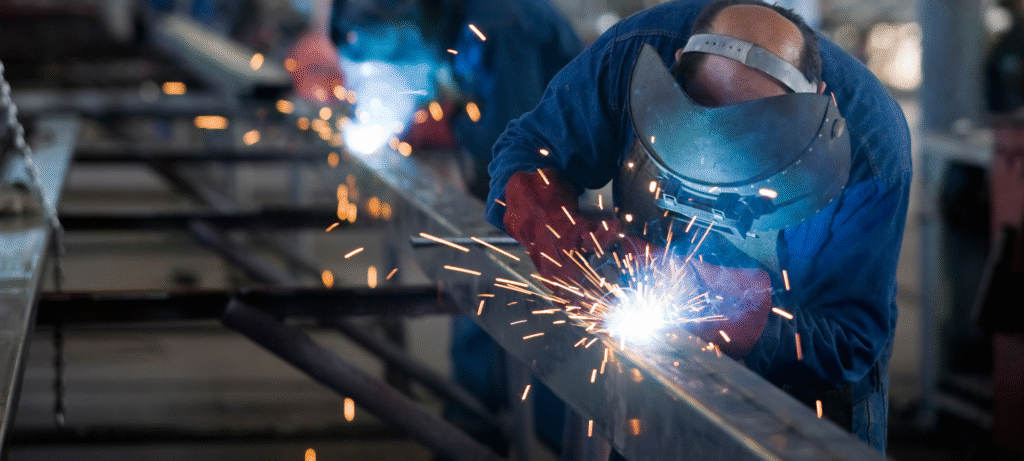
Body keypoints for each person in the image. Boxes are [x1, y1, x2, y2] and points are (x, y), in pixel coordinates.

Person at [488, 0, 912, 453]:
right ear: (675, 73)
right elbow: (528, 153)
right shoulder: (631, 57)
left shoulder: (870, 150)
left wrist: (710, 301)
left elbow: (848, 338)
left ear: (817, 102)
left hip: (807, 408)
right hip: (650, 376)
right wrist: (565, 243)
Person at [324, 0, 583, 453]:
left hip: (553, 201)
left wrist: (453, 125)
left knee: (525, 316)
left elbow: (513, 138)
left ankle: (486, 428)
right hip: (519, 195)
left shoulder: (501, 25)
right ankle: (477, 422)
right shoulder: (461, 24)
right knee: (484, 304)